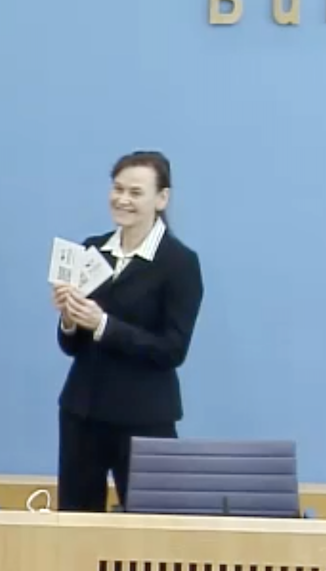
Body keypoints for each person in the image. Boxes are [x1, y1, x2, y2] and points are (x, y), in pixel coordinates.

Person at [52, 151, 204, 512]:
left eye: (135, 192)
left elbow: (172, 349)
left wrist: (104, 325)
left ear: (161, 198)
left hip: (144, 417)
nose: (122, 199)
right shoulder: (92, 249)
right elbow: (71, 346)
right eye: (117, 189)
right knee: (76, 520)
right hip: (83, 412)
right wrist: (69, 318)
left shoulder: (179, 263)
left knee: (151, 527)